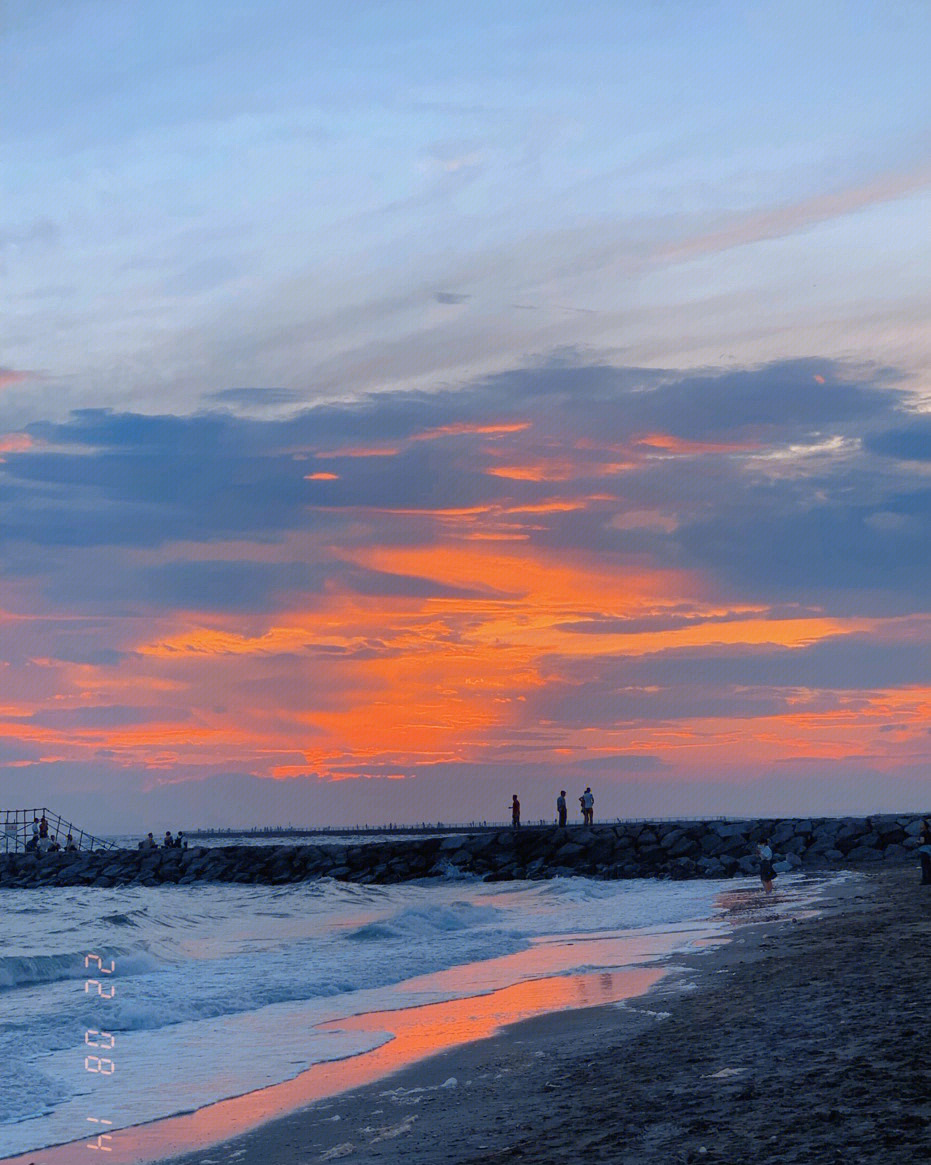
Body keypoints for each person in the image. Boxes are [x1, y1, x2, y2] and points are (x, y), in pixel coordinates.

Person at [918, 818, 931, 886]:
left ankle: (925, 880)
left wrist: (918, 842)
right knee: (928, 865)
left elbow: (922, 841)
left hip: (924, 850)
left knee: (924, 865)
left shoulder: (922, 833)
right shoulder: (929, 833)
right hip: (929, 850)